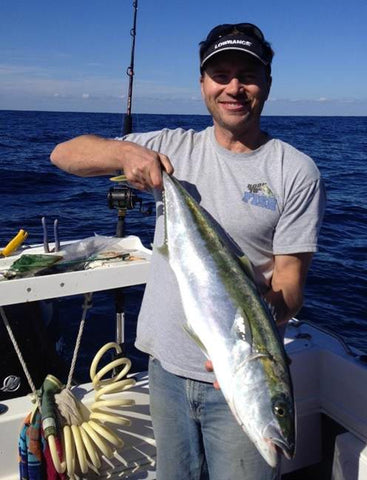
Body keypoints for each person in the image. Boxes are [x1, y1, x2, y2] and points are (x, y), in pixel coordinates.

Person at [51, 23, 326, 480]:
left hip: (231, 380)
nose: (234, 87)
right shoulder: (170, 147)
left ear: (269, 83)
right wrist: (125, 155)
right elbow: (63, 154)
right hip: (164, 371)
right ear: (203, 85)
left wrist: (248, 341)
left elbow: (290, 285)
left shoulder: (295, 171)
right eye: (220, 75)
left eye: (248, 75)